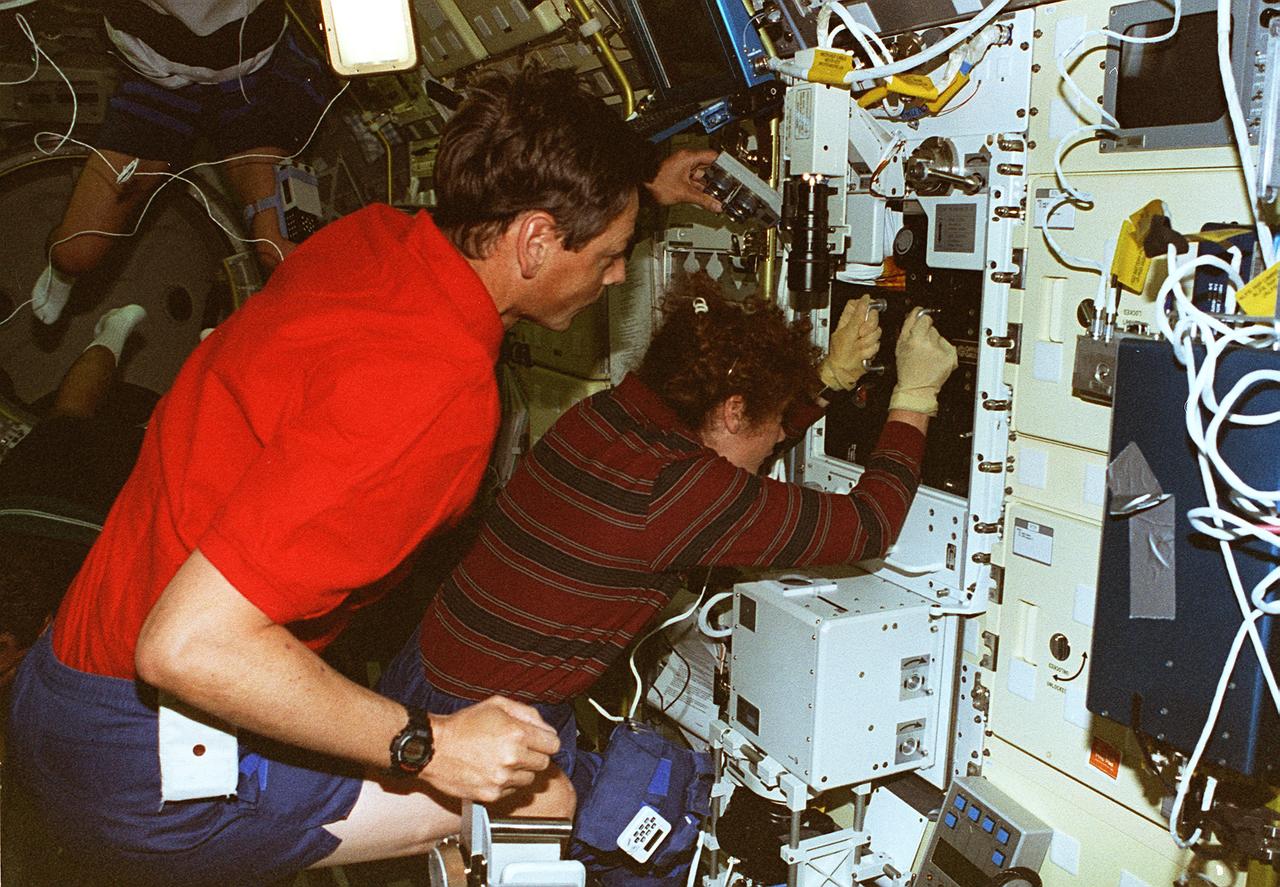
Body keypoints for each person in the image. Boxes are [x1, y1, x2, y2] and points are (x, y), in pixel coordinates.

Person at [7, 66, 722, 885]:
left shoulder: (375, 237)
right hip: (138, 765)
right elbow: (188, 646)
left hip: (55, 683)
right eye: (608, 254)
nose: (617, 276)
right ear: (533, 240)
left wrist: (639, 185)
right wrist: (432, 744)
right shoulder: (436, 397)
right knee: (549, 794)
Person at [379, 276, 959, 818]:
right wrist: (915, 396)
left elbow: (742, 438)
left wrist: (826, 380)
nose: (779, 439)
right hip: (481, 724)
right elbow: (868, 522)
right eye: (777, 416)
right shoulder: (682, 489)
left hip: (428, 672)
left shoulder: (607, 415)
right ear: (732, 409)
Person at [30, 0, 334, 325]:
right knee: (75, 253)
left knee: (285, 254)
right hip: (158, 75)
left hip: (255, 71)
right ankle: (65, 277)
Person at [0, 304, 149, 688]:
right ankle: (115, 329)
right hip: (19, 507)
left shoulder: (57, 626)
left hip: (85, 524)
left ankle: (212, 359)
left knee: (155, 454)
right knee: (71, 412)